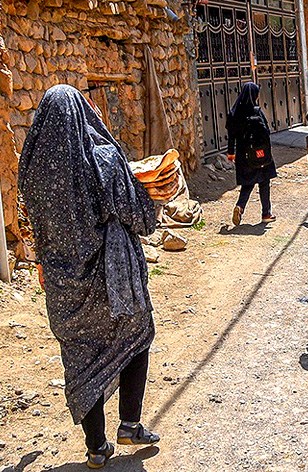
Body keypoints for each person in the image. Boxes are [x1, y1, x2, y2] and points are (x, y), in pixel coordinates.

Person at [18, 85, 160, 469]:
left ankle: (96, 446)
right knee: (138, 334)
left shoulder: (31, 171)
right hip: (110, 283)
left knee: (81, 359)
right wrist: (154, 200)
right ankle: (130, 423)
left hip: (63, 285)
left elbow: (35, 228)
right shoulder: (103, 160)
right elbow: (141, 217)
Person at [226, 82, 277, 225]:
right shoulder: (256, 111)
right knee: (264, 181)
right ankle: (266, 213)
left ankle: (240, 206)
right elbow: (266, 131)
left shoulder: (234, 112)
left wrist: (231, 153)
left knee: (247, 183)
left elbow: (231, 135)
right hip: (260, 153)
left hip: (243, 154)